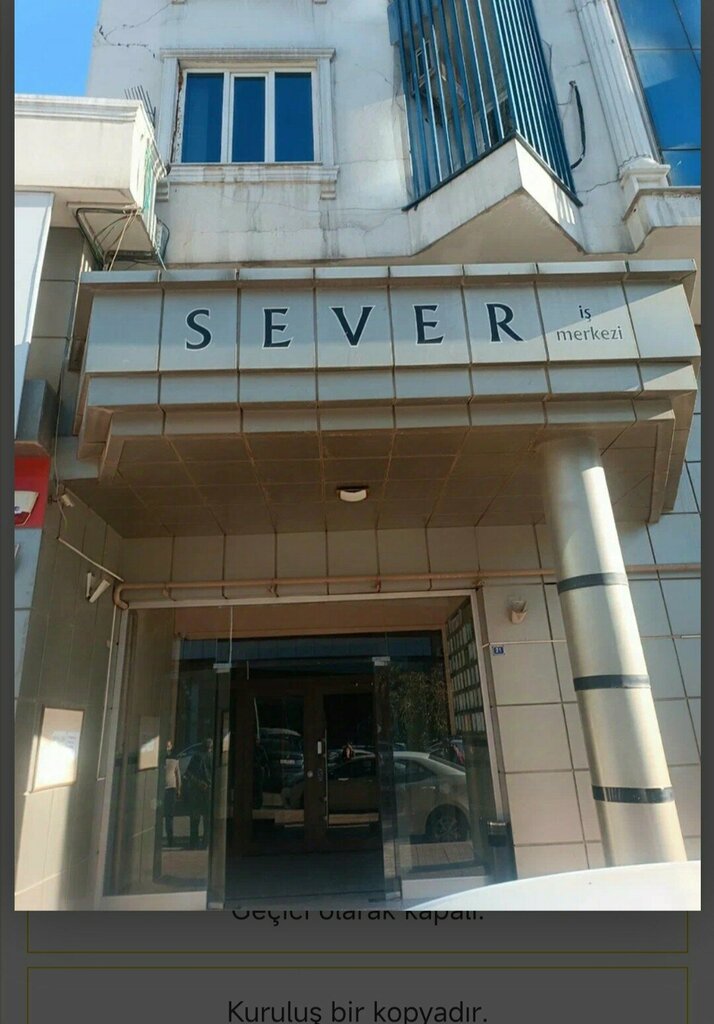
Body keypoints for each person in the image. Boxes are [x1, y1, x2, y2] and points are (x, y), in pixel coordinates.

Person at [184, 737, 213, 849]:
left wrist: (198, 783)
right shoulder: (212, 757)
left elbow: (188, 773)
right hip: (208, 790)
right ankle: (205, 842)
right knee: (207, 818)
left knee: (195, 818)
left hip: (197, 790)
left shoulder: (196, 757)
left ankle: (193, 842)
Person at [163, 739, 181, 848]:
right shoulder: (163, 759)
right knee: (167, 815)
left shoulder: (174, 760)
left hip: (170, 788)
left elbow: (178, 775)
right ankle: (169, 839)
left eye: (168, 746)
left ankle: (170, 839)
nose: (167, 748)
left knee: (169, 815)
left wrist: (178, 789)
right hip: (166, 789)